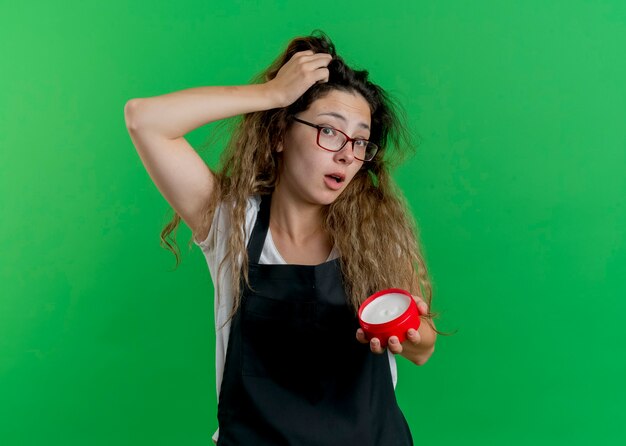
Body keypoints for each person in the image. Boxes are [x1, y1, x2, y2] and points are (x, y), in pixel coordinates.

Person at [125, 30, 440, 446]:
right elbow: (144, 120)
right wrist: (272, 94)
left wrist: (411, 334)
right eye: (330, 131)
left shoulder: (376, 237)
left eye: (361, 141)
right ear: (278, 136)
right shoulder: (230, 223)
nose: (347, 153)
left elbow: (424, 350)